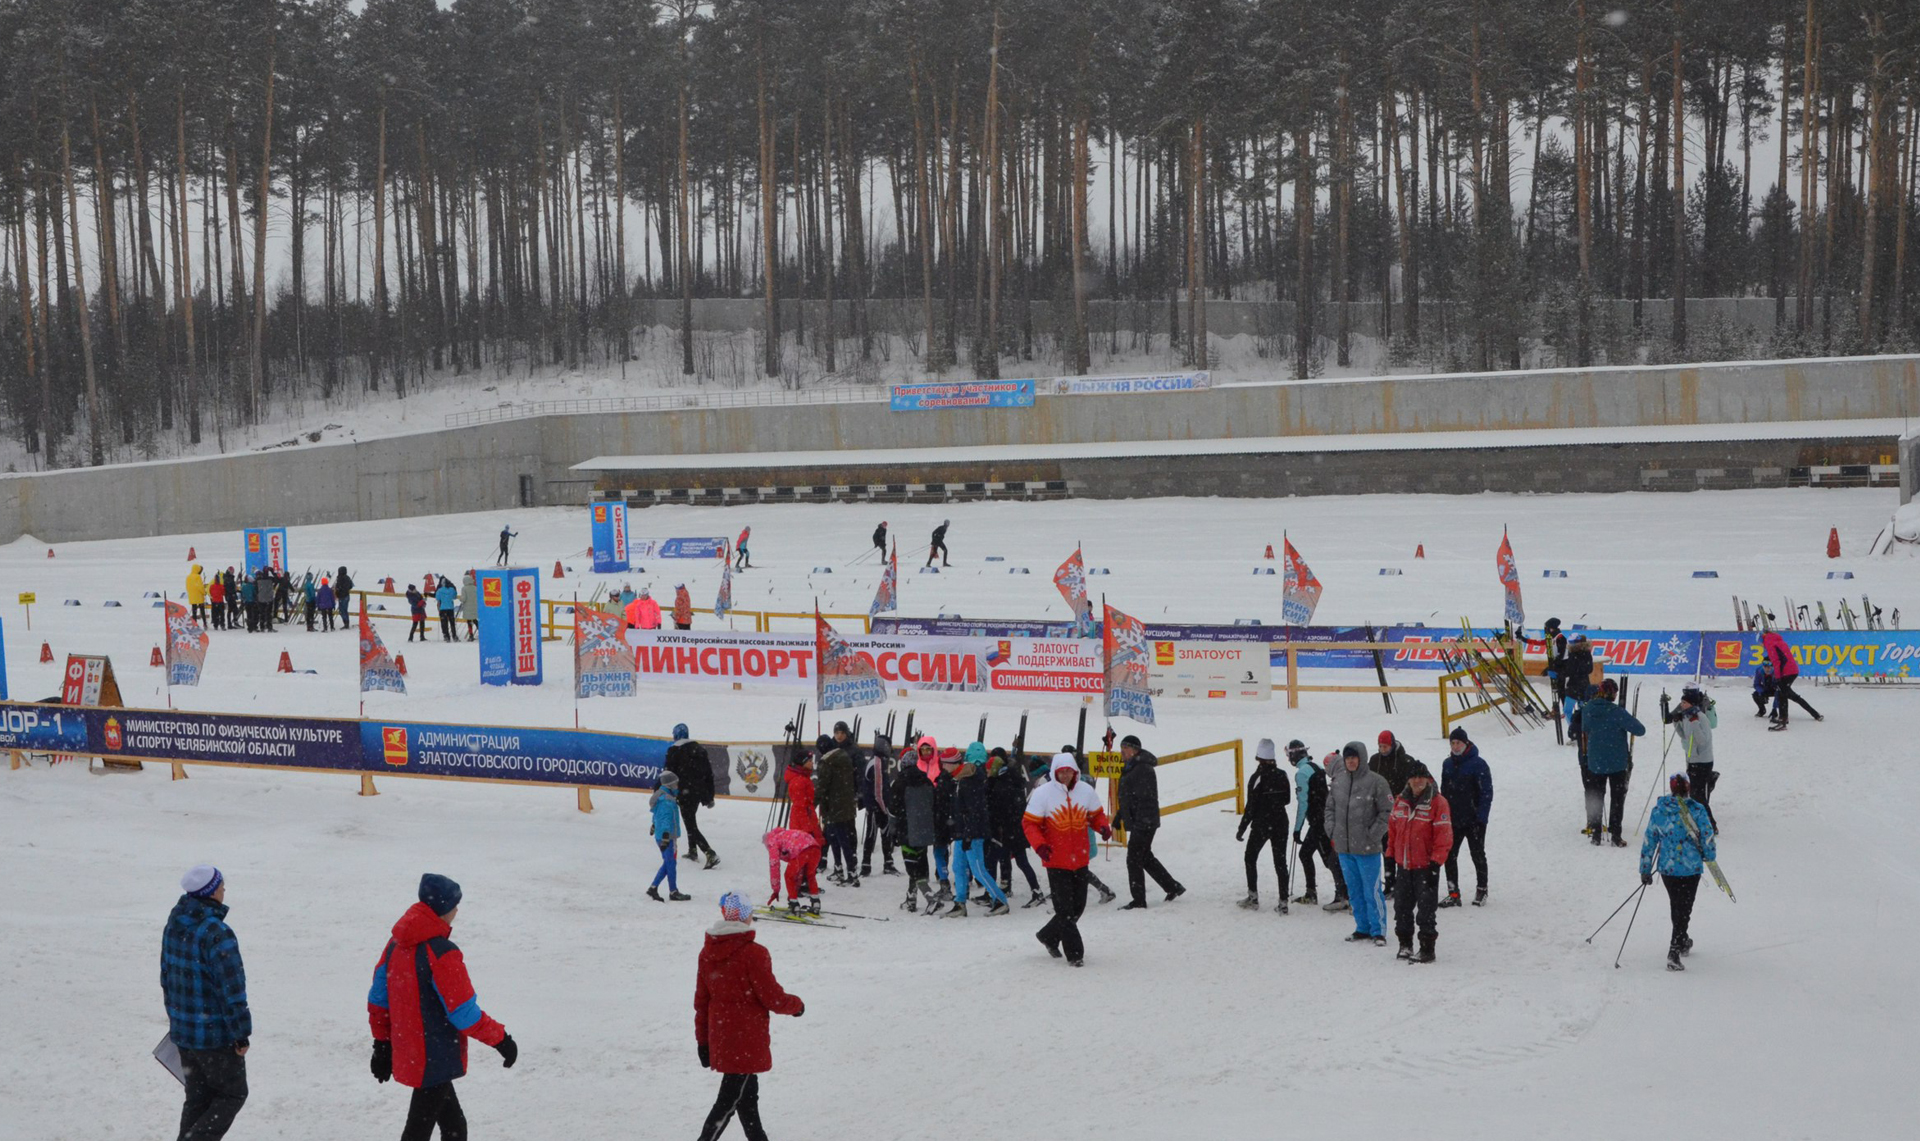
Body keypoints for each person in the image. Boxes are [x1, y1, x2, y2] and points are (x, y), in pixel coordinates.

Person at [367, 874, 517, 1141]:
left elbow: (378, 1000)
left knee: (454, 1127)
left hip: (415, 1051)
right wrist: (501, 1040)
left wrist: (382, 1044)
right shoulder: (442, 952)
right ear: (443, 910)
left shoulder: (395, 945)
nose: (457, 911)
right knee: (419, 1132)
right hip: (433, 1055)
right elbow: (463, 1013)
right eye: (454, 906)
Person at [693, 892, 805, 1141]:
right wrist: (796, 1006)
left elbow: (702, 1002)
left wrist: (703, 1041)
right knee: (727, 1102)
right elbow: (772, 997)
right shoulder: (753, 953)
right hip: (746, 1039)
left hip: (723, 1037)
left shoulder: (707, 952)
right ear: (746, 916)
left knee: (747, 1098)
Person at [162, 865, 251, 1141]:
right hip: (214, 1036)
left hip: (185, 1033)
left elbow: (167, 975)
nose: (225, 891)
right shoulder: (216, 932)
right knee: (232, 1093)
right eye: (222, 886)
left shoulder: (176, 921)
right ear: (211, 891)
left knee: (198, 1099)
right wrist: (241, 1034)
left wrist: (176, 1022)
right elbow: (232, 989)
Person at [1024, 752, 1114, 967]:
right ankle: (1075, 954)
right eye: (1061, 771)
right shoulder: (1042, 793)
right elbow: (1029, 824)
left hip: (1080, 859)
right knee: (1064, 909)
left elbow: (1096, 815)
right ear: (1054, 772)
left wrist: (1102, 826)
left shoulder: (1086, 791)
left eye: (1068, 771)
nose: (1065, 775)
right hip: (1055, 860)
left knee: (1078, 907)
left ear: (1075, 771)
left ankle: (1048, 935)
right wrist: (1040, 845)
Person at [1640, 772, 1718, 971]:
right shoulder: (1697, 810)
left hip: (1668, 868)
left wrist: (1645, 868)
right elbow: (1707, 836)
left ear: (1672, 788)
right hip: (1691, 868)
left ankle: (1682, 940)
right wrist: (1709, 856)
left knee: (1678, 905)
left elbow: (1650, 839)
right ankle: (1674, 950)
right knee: (1684, 907)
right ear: (1688, 787)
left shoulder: (1660, 810)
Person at [1327, 741, 1393, 946]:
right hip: (1345, 848)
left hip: (1367, 849)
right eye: (1347, 758)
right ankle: (1362, 927)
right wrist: (1332, 830)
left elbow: (1387, 812)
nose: (1351, 761)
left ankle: (1378, 930)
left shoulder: (1377, 782)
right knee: (1354, 890)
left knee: (1371, 891)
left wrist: (1373, 835)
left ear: (1362, 758)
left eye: (1354, 758)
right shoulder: (1338, 782)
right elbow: (1329, 809)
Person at [1387, 762, 1453, 963]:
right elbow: (1392, 833)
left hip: (1426, 868)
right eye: (1414, 777)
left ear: (1427, 778)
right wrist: (1390, 858)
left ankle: (1427, 948)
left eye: (1421, 777)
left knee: (1426, 911)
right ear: (1408, 779)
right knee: (1402, 909)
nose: (1417, 781)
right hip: (1404, 866)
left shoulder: (1438, 802)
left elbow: (1444, 836)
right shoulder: (1400, 801)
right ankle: (1405, 945)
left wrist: (1435, 864)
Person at [1115, 734, 1184, 910]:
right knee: (1144, 857)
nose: (1122, 751)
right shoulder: (1131, 766)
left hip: (1144, 821)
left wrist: (1140, 822)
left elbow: (1145, 799)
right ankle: (1172, 887)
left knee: (1133, 859)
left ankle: (1139, 900)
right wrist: (1120, 815)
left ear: (1135, 750)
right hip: (1141, 820)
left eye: (1126, 747)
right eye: (1121, 747)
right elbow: (1128, 797)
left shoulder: (1143, 768)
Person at [944, 742, 1011, 917]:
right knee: (958, 868)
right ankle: (960, 903)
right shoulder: (958, 781)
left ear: (956, 764)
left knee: (978, 870)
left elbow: (975, 812)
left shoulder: (969, 781)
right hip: (962, 833)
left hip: (972, 834)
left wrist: (969, 835)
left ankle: (1000, 900)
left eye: (946, 763)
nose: (943, 767)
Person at [1577, 678, 1646, 847]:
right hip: (1617, 763)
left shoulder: (1588, 709)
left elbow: (1585, 729)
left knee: (1596, 797)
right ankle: (1616, 835)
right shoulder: (1617, 711)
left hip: (1595, 761)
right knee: (1617, 799)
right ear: (1613, 693)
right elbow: (1640, 729)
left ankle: (1596, 833)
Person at [1438, 727, 1493, 907]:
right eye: (1452, 743)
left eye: (1458, 743)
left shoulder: (1478, 763)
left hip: (1474, 819)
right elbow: (1443, 792)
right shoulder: (1447, 764)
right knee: (1449, 855)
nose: (1455, 746)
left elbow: (1486, 793)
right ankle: (1453, 893)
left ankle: (1482, 889)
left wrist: (1481, 817)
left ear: (1466, 743)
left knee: (1477, 854)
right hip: (1453, 820)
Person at [1286, 740, 1344, 908]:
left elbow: (1303, 803)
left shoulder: (1302, 774)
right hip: (1323, 819)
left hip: (1319, 822)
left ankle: (1342, 894)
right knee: (1308, 854)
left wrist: (1297, 829)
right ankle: (1314, 892)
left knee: (1329, 860)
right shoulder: (1315, 766)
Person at [1235, 738, 1291, 913]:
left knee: (1250, 857)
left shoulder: (1257, 778)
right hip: (1281, 822)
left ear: (1258, 758)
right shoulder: (1282, 774)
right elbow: (1287, 799)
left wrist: (1242, 827)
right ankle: (1283, 902)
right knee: (1280, 862)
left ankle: (1253, 897)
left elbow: (1250, 806)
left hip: (1262, 824)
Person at [986, 746, 1044, 906]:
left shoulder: (1001, 784)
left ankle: (1033, 891)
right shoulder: (1012, 778)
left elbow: (1000, 809)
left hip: (1009, 830)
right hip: (1015, 829)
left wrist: (1001, 826)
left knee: (1007, 860)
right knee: (1015, 860)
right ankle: (1030, 890)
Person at [887, 749, 940, 912]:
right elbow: (934, 805)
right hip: (924, 830)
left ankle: (931, 898)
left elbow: (893, 810)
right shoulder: (927, 781)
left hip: (907, 830)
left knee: (912, 868)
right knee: (921, 863)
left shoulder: (899, 783)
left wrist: (893, 831)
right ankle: (911, 899)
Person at [1662, 685, 1719, 828]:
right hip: (1692, 759)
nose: (1682, 705)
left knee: (1698, 795)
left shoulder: (1700, 717)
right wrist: (1676, 722)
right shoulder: (1687, 717)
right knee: (1693, 794)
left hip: (1702, 761)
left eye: (1684, 703)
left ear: (1692, 703)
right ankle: (1700, 820)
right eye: (1681, 702)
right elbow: (1684, 736)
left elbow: (1702, 740)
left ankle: (1710, 824)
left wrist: (1694, 723)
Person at [1370, 730, 1418, 892]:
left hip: (1402, 811)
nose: (1382, 750)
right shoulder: (1375, 761)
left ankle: (1405, 882)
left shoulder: (1405, 761)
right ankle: (1390, 882)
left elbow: (1412, 784)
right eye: (1380, 746)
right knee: (1387, 847)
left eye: (1385, 746)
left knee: (1402, 846)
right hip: (1382, 812)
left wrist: (1401, 797)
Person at [666, 724, 720, 869]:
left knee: (690, 824)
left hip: (684, 792)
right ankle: (692, 850)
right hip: (698, 792)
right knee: (690, 819)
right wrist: (709, 796)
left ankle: (709, 852)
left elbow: (668, 774)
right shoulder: (700, 750)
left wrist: (662, 791)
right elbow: (708, 774)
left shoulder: (674, 751)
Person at [815, 731, 860, 887]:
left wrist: (813, 803)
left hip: (833, 806)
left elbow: (822, 786)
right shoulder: (844, 755)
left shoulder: (826, 761)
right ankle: (843, 870)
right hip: (846, 804)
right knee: (840, 838)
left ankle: (849, 873)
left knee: (837, 838)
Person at [1761, 628, 1821, 729]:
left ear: (1762, 640)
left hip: (1786, 672)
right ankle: (1815, 714)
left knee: (1782, 695)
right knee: (1790, 695)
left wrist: (1778, 677)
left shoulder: (1769, 643)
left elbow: (1776, 662)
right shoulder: (1778, 640)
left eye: (1760, 644)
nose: (1761, 646)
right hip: (1792, 670)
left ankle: (1782, 722)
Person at [858, 733, 898, 878]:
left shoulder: (877, 761)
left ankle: (887, 863)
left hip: (876, 805)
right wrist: (883, 807)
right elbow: (878, 790)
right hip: (876, 807)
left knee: (885, 835)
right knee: (872, 835)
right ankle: (866, 866)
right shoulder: (877, 763)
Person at [648, 773, 692, 902]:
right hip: (667, 837)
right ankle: (672, 891)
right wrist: (666, 836)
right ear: (670, 785)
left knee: (668, 863)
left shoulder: (660, 797)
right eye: (676, 784)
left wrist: (654, 825)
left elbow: (657, 815)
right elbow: (666, 818)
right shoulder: (667, 800)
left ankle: (654, 888)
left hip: (660, 835)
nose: (677, 787)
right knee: (670, 864)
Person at [763, 827, 822, 915]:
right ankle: (815, 901)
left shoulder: (772, 842)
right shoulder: (785, 835)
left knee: (788, 876)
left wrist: (776, 890)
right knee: (810, 875)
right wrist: (795, 889)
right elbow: (799, 872)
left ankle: (794, 904)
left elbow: (774, 867)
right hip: (815, 848)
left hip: (801, 851)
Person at [783, 749, 822, 848]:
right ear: (802, 763)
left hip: (805, 819)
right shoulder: (799, 781)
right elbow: (800, 807)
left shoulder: (803, 777)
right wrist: (808, 829)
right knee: (803, 853)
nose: (812, 763)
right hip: (802, 823)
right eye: (809, 761)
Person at [434, 577, 458, 642]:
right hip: (450, 608)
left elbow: (437, 598)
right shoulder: (452, 589)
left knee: (444, 623)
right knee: (452, 622)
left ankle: (446, 636)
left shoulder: (439, 590)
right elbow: (454, 596)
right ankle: (454, 636)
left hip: (443, 608)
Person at [456, 571, 477, 641]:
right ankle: (482, 632)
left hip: (468, 608)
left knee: (469, 621)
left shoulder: (464, 588)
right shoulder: (475, 588)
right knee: (475, 620)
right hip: (475, 607)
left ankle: (471, 635)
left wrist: (460, 598)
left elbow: (464, 599)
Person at [336, 566, 354, 631]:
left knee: (342, 610)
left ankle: (346, 623)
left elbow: (339, 587)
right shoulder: (347, 578)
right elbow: (351, 585)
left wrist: (340, 590)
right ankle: (346, 623)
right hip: (346, 595)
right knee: (344, 610)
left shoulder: (340, 578)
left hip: (342, 596)